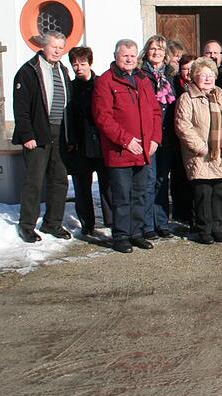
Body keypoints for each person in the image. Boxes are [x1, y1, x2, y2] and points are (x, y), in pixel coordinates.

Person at [93, 39, 164, 253]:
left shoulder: (142, 79)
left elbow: (155, 111)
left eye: (133, 55)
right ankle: (121, 235)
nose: (129, 59)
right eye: (125, 55)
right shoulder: (106, 81)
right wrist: (126, 140)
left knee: (140, 194)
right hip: (120, 150)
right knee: (122, 196)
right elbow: (103, 117)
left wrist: (155, 139)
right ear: (116, 56)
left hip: (144, 150)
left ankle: (136, 233)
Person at [12, 30, 72, 243]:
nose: (57, 51)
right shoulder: (29, 71)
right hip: (38, 133)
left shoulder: (62, 70)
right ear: (43, 46)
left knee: (59, 180)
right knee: (34, 181)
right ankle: (26, 225)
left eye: (61, 48)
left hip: (60, 132)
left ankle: (53, 222)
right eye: (54, 47)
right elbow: (20, 107)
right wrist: (27, 134)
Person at [174, 58, 222, 244]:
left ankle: (217, 227)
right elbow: (183, 126)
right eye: (203, 75)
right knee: (203, 195)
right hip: (201, 156)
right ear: (194, 77)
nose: (208, 79)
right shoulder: (187, 98)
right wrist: (200, 147)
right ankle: (204, 229)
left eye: (211, 75)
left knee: (219, 194)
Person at [65, 46, 113, 238]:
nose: (79, 68)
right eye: (75, 64)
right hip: (79, 144)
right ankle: (87, 224)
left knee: (107, 186)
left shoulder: (100, 83)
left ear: (90, 63)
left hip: (100, 142)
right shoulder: (70, 87)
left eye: (82, 64)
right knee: (82, 188)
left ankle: (112, 222)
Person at [140, 34, 177, 240]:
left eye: (161, 49)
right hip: (148, 134)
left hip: (167, 135)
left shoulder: (170, 75)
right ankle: (147, 225)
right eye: (153, 48)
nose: (156, 53)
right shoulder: (141, 74)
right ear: (147, 51)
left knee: (162, 180)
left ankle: (162, 222)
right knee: (149, 179)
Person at [169, 53, 196, 226]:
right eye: (184, 69)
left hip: (197, 139)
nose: (188, 72)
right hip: (177, 138)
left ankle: (194, 213)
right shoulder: (174, 84)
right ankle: (181, 213)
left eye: (191, 68)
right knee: (179, 177)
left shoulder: (202, 84)